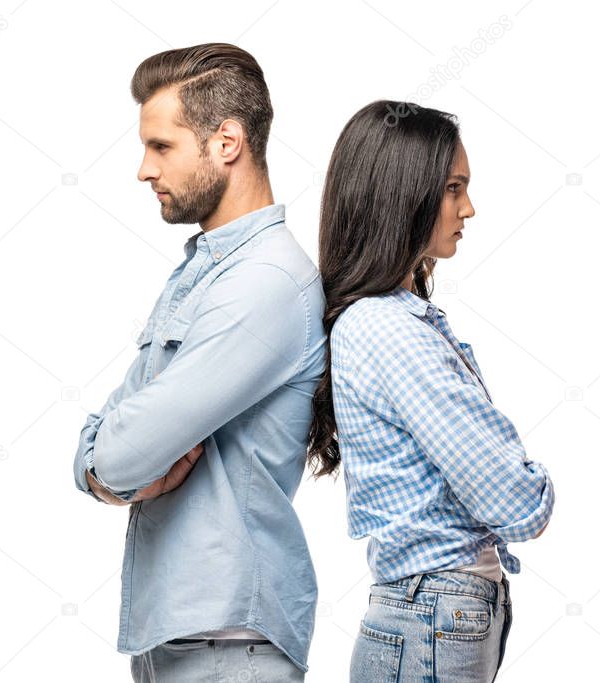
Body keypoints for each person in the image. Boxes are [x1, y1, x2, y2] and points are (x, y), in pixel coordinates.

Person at [71, 43, 327, 681]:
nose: (142, 169)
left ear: (227, 142)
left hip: (230, 646)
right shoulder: (204, 273)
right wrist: (104, 471)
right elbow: (98, 448)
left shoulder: (266, 282)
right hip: (181, 641)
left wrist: (113, 468)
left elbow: (125, 450)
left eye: (161, 147)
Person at [306, 100, 554, 682]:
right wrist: (537, 484)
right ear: (403, 196)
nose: (468, 208)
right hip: (432, 614)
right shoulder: (387, 329)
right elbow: (516, 502)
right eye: (453, 188)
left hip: (438, 611)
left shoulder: (396, 319)